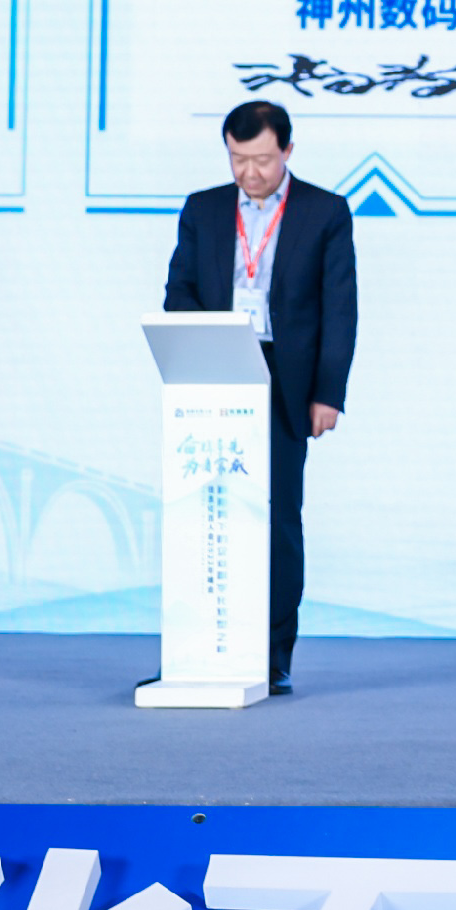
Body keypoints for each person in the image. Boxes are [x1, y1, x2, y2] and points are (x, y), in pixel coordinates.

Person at [162, 98, 357, 695]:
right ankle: (199, 650)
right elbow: (179, 291)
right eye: (238, 159)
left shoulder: (324, 212)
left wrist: (328, 393)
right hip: (217, 368)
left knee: (277, 518)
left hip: (286, 379)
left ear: (288, 152)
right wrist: (205, 341)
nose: (249, 173)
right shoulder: (203, 209)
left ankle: (273, 654)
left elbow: (340, 310)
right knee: (205, 508)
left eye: (263, 161)